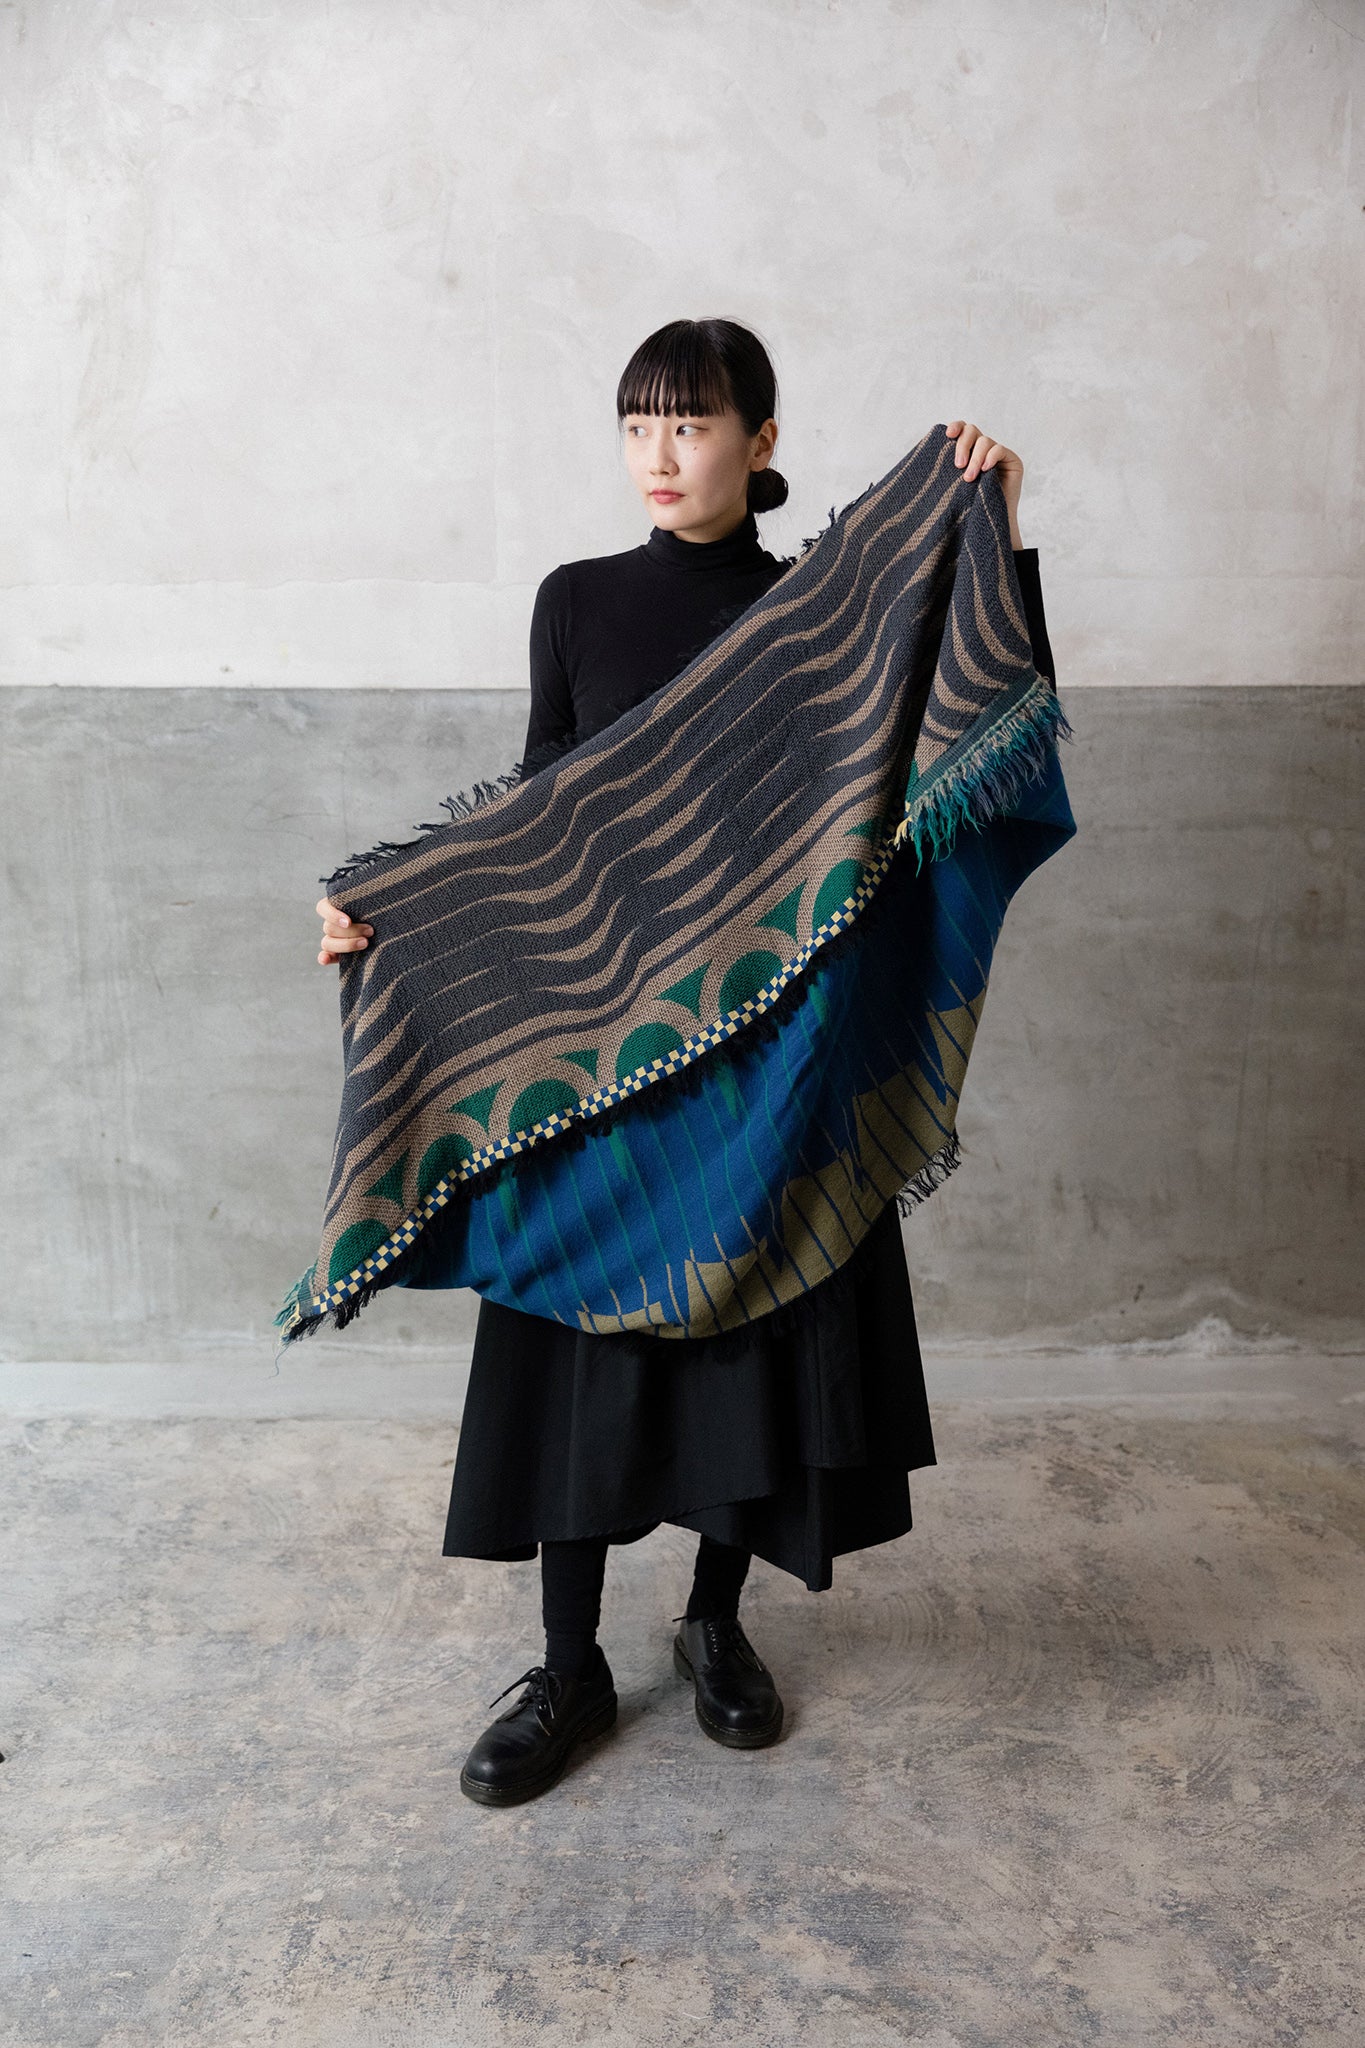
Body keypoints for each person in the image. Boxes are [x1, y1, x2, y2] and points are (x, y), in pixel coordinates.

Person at [314, 318, 1056, 1808]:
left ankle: (714, 1623)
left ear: (761, 443)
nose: (660, 456)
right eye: (637, 425)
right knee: (577, 1347)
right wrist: (392, 916)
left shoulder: (820, 615)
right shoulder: (576, 602)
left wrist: (999, 525)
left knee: (751, 1346)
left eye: (693, 424)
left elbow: (939, 728)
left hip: (764, 1059)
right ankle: (569, 1666)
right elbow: (541, 816)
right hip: (605, 1050)